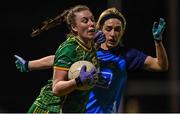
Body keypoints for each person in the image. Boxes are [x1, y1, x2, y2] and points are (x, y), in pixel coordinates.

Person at [14, 7, 168, 113]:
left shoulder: (127, 55)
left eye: (117, 29)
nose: (113, 34)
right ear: (100, 28)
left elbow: (161, 66)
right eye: (108, 29)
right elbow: (57, 60)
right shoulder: (87, 50)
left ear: (122, 32)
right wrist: (28, 65)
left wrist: (158, 41)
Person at [15, 5, 106, 113]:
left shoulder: (88, 44)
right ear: (74, 27)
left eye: (92, 19)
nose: (91, 23)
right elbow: (56, 88)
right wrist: (78, 81)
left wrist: (28, 65)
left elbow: (59, 60)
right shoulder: (69, 49)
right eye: (85, 21)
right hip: (51, 109)